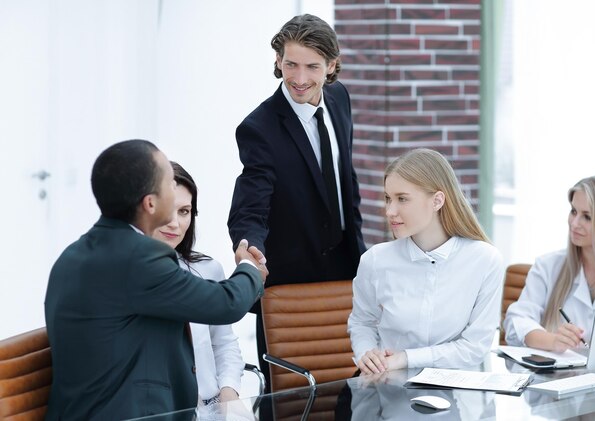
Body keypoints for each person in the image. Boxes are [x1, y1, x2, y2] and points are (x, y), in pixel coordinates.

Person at [44, 140, 266, 421]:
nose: (174, 191)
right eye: (169, 183)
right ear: (150, 203)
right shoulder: (138, 259)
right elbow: (227, 303)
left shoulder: (74, 254)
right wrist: (249, 267)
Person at [228, 14, 366, 384]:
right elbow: (251, 203)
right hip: (289, 284)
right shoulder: (259, 128)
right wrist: (247, 248)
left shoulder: (340, 99)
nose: (300, 78)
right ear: (278, 61)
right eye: (290, 64)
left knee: (350, 389)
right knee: (287, 395)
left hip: (346, 275)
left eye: (312, 67)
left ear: (332, 66)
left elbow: (344, 178)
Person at [347, 148, 504, 374]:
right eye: (388, 199)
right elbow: (362, 322)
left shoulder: (485, 260)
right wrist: (367, 353)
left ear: (437, 200)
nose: (390, 211)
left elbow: (474, 347)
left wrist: (406, 358)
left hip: (458, 396)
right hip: (388, 391)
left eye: (402, 199)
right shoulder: (375, 260)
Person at [151, 162, 245, 407]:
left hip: (211, 407)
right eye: (167, 210)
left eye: (184, 211)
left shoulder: (207, 269)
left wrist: (229, 391)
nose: (175, 223)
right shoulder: (129, 279)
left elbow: (223, 344)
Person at [504, 175, 595, 352]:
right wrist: (552, 340)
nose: (574, 223)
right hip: (560, 378)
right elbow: (516, 321)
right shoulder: (548, 266)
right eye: (573, 211)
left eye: (587, 217)